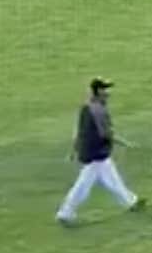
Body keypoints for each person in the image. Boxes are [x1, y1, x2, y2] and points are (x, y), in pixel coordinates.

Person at [56, 78, 145, 226]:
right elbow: (105, 133)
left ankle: (131, 202)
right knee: (83, 186)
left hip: (95, 154)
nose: (108, 93)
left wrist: (74, 150)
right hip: (95, 154)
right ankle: (65, 213)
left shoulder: (87, 107)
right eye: (105, 89)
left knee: (111, 180)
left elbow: (78, 132)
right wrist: (124, 143)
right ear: (98, 91)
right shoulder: (97, 110)